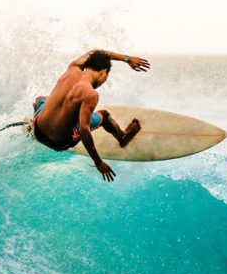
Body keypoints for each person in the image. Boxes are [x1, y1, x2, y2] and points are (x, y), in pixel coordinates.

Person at [30, 49, 150, 181]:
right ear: (103, 73)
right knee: (104, 115)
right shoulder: (90, 94)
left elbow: (95, 51)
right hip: (59, 142)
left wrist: (127, 59)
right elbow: (84, 129)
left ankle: (30, 128)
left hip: (38, 130)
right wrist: (98, 162)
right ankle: (123, 137)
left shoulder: (73, 68)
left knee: (41, 100)